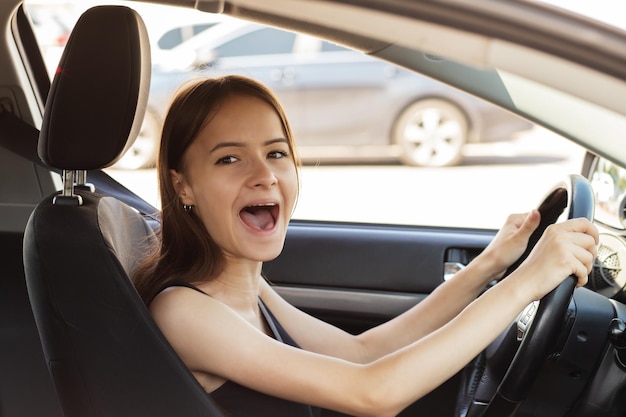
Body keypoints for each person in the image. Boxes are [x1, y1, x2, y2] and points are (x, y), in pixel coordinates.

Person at [132, 74, 599, 417]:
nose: (265, 175)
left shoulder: (243, 285)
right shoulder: (186, 312)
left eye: (276, 153)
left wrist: (490, 265)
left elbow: (362, 354)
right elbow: (373, 391)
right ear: (183, 186)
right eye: (229, 158)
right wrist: (524, 284)